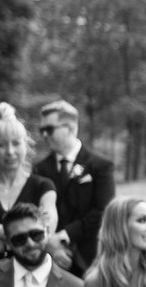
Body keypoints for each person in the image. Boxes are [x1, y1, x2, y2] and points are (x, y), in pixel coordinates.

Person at [0, 106, 59, 266]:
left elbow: (46, 233)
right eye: (1, 145)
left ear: (25, 145)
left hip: (31, 274)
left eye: (16, 143)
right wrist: (19, 239)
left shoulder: (43, 187)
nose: (10, 151)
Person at [34, 100, 115, 272]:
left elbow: (103, 211)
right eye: (42, 130)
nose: (44, 135)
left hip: (92, 259)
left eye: (49, 129)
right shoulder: (39, 170)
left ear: (70, 128)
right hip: (51, 261)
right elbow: (36, 212)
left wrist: (65, 235)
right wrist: (51, 245)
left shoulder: (100, 166)